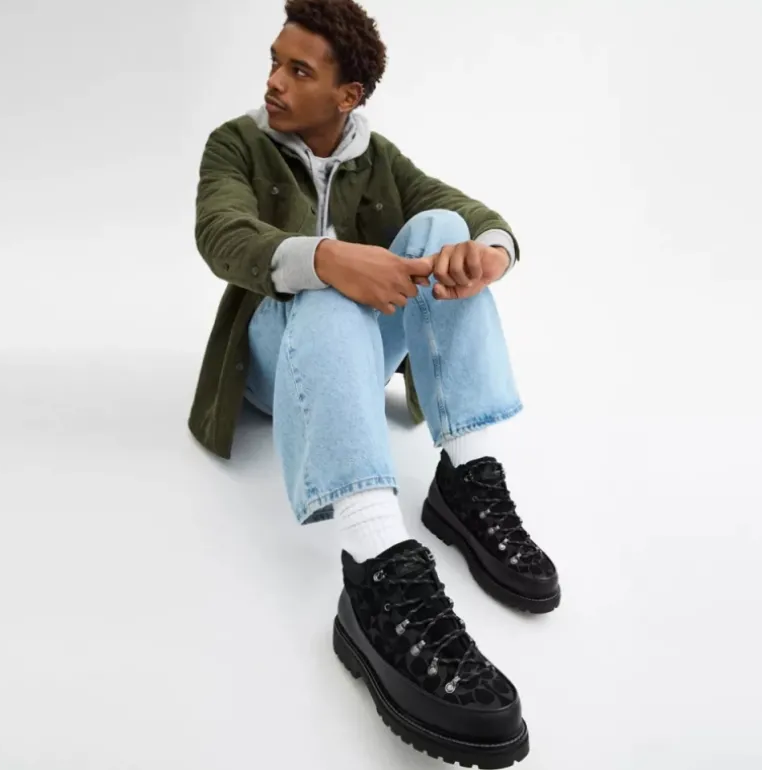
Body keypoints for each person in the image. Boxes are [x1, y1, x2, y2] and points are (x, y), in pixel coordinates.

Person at [190, 0, 559, 765]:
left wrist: (489, 253)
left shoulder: (376, 155)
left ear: (348, 95)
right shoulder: (236, 144)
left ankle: (466, 479)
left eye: (299, 70)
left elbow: (467, 211)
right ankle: (376, 564)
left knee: (445, 234)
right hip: (274, 355)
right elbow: (222, 233)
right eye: (274, 62)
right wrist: (327, 259)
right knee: (326, 286)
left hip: (352, 359)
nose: (274, 82)